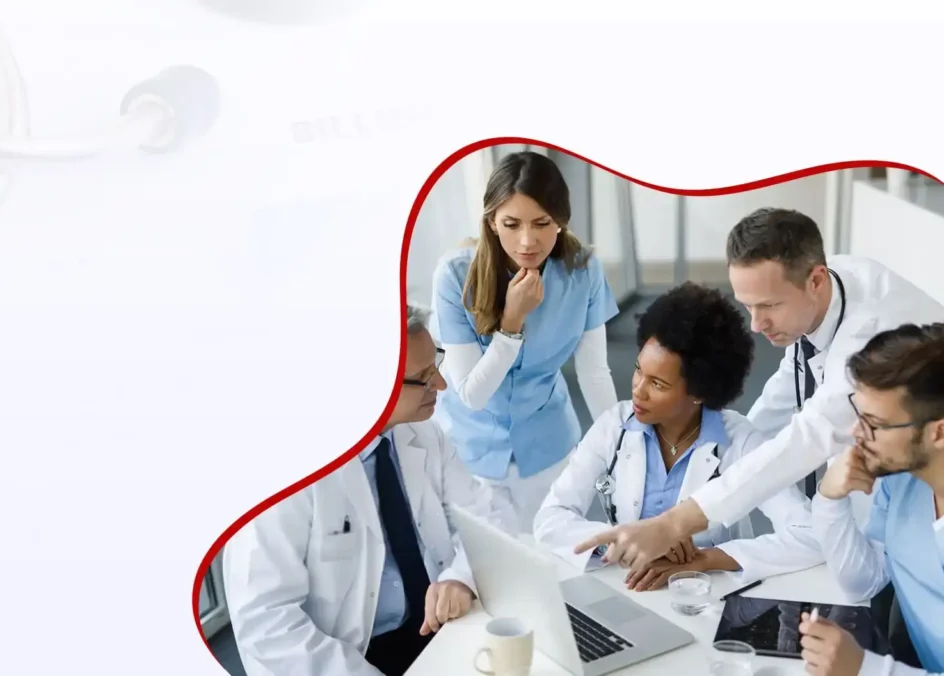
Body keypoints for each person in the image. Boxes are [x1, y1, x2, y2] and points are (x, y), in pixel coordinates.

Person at [576, 208, 944, 572]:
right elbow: (780, 395)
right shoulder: (820, 290)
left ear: (815, 280)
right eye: (747, 305)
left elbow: (808, 438)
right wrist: (718, 458)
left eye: (768, 306)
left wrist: (675, 523)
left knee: (895, 586)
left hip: (925, 473)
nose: (755, 324)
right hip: (893, 476)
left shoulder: (869, 335)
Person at [221, 305, 517, 676]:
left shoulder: (424, 434)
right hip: (344, 660)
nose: (440, 386)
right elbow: (266, 624)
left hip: (435, 636)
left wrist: (460, 577)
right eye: (423, 377)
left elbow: (488, 520)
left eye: (435, 366)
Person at [534, 282, 823, 590]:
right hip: (626, 585)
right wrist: (628, 541)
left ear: (699, 392)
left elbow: (809, 535)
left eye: (657, 384)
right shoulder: (614, 426)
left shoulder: (740, 442)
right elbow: (550, 517)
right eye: (638, 370)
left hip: (705, 594)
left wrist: (706, 558)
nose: (637, 390)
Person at [431, 150, 620, 533]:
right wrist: (511, 324)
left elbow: (595, 375)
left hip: (549, 444)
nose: (527, 240)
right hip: (470, 451)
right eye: (512, 224)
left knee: (553, 566)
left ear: (561, 221)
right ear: (492, 222)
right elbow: (472, 395)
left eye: (542, 223)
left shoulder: (582, 271)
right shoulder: (454, 275)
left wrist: (621, 449)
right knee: (484, 574)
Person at [799, 323, 944, 675]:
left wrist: (866, 669)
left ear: (938, 431)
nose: (855, 433)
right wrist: (830, 498)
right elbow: (864, 582)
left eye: (874, 423)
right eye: (858, 415)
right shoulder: (904, 482)